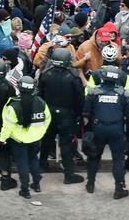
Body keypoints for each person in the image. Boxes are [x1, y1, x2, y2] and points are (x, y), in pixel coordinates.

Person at [83, 65, 129, 199]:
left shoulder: (93, 93)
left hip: (99, 129)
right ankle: (119, 188)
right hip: (116, 130)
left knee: (94, 156)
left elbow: (85, 115)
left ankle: (90, 184)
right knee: (118, 159)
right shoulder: (123, 94)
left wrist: (88, 133)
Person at [37, 48, 85, 184]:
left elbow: (40, 96)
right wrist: (78, 115)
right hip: (67, 115)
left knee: (46, 141)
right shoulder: (73, 77)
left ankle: (42, 165)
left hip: (49, 113)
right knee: (66, 144)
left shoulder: (45, 74)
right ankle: (68, 174)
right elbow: (80, 99)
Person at [0, 76, 51, 199]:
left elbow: (7, 126)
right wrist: (40, 133)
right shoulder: (41, 102)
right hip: (36, 138)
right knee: (34, 160)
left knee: (22, 163)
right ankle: (37, 185)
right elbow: (47, 119)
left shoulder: (13, 105)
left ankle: (25, 190)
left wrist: (2, 139)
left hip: (19, 140)